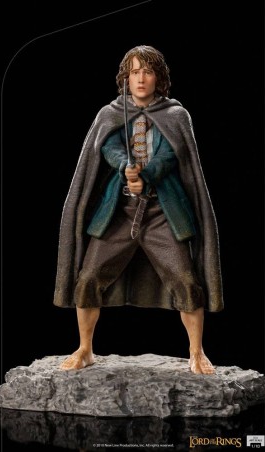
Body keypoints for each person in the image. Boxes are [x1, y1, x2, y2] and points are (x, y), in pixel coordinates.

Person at [53, 45, 223, 374]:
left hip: (162, 211)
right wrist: (124, 166)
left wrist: (146, 174)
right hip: (120, 210)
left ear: (158, 78)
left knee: (186, 280)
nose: (141, 78)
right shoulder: (111, 113)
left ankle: (196, 352)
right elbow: (107, 146)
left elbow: (172, 154)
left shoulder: (176, 115)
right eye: (134, 72)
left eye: (147, 72)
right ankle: (85, 348)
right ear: (125, 78)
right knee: (88, 278)